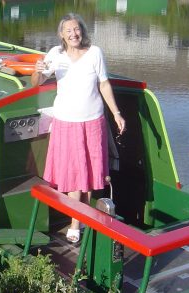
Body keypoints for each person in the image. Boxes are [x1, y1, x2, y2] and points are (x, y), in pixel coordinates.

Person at [31, 13, 125, 243]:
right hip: (67, 122)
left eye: (77, 29)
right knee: (75, 175)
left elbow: (103, 83)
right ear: (61, 34)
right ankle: (77, 221)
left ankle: (78, 221)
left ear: (82, 30)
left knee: (90, 174)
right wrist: (37, 69)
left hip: (92, 121)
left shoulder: (95, 53)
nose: (74, 34)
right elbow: (37, 82)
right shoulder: (55, 54)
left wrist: (116, 113)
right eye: (68, 31)